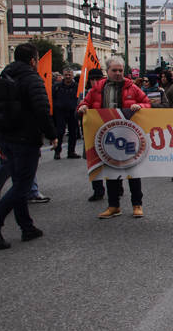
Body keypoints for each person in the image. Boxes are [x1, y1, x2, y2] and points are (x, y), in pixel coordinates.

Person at [0, 43, 58, 249]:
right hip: (25, 138)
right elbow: (41, 109)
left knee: (18, 183)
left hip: (7, 137)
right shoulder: (31, 79)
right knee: (22, 186)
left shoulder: (3, 77)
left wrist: (0, 140)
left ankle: (26, 226)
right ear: (33, 60)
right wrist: (52, 134)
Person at [77, 56, 151, 219]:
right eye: (114, 70)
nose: (118, 73)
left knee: (132, 170)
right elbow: (85, 103)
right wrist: (82, 107)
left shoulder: (132, 87)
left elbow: (148, 103)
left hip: (129, 135)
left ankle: (137, 204)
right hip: (107, 135)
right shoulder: (98, 88)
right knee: (111, 172)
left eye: (120, 70)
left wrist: (140, 106)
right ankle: (113, 205)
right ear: (107, 71)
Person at [84, 68, 108, 201]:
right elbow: (80, 110)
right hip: (92, 131)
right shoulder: (88, 93)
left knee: (114, 160)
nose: (95, 82)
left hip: (108, 130)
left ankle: (118, 185)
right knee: (94, 161)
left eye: (97, 79)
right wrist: (82, 108)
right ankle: (98, 190)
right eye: (92, 79)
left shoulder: (110, 92)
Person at [52, 67, 81, 160]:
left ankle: (71, 151)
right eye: (66, 75)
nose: (68, 76)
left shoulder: (77, 86)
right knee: (60, 132)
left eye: (69, 75)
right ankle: (57, 152)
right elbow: (52, 98)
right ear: (63, 75)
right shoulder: (57, 86)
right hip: (60, 112)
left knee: (73, 132)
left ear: (72, 76)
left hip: (73, 112)